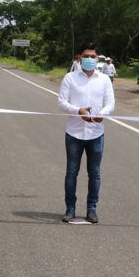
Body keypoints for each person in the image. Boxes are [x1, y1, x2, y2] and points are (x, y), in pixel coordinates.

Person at [57, 42, 115, 223]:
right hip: (74, 133)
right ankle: (70, 209)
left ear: (98, 59)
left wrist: (102, 114)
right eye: (86, 56)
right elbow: (61, 102)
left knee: (95, 174)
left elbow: (110, 103)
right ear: (79, 58)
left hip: (96, 133)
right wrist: (78, 111)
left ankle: (91, 209)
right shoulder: (70, 78)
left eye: (93, 56)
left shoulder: (104, 79)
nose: (89, 59)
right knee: (71, 173)